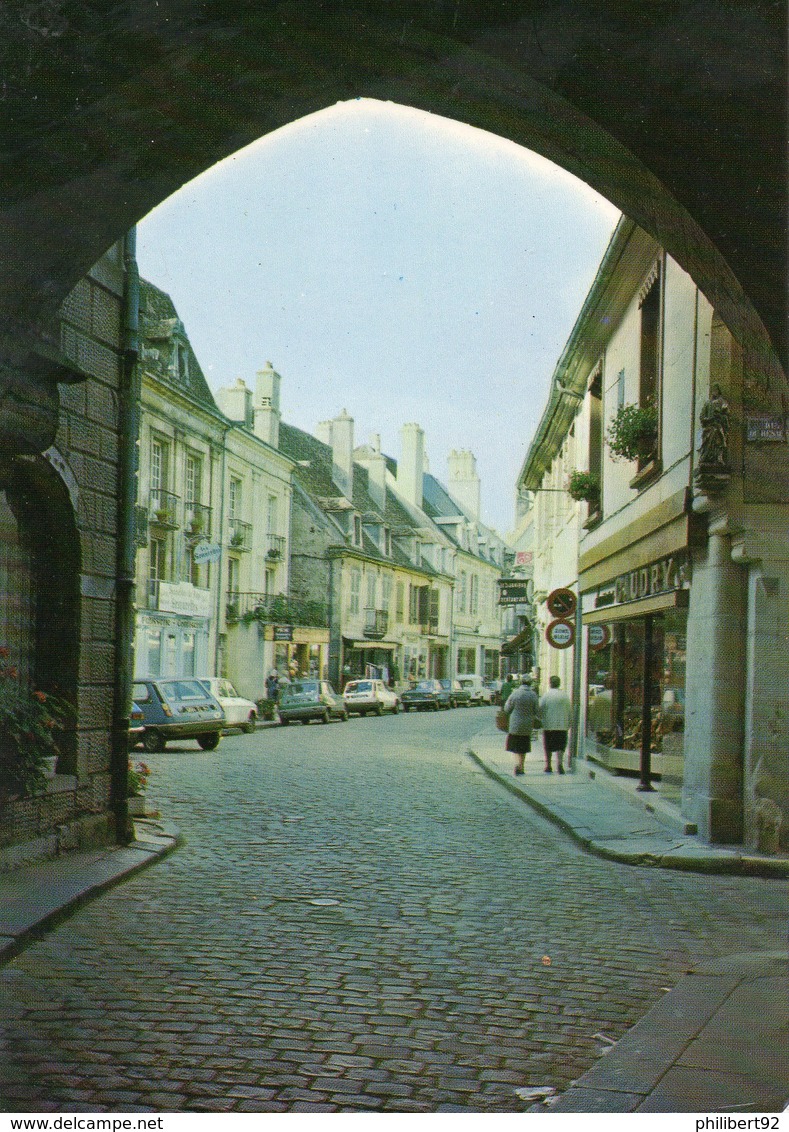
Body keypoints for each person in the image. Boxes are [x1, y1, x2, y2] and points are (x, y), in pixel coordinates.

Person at [503, 675, 540, 776]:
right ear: (530, 683)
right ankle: (521, 766)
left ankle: (517, 764)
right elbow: (537, 710)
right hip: (527, 725)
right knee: (523, 747)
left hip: (515, 724)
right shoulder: (533, 695)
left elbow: (507, 709)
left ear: (521, 683)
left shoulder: (515, 694)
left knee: (515, 747)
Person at [539, 675, 573, 773]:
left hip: (549, 725)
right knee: (561, 746)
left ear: (550, 683)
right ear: (559, 684)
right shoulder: (564, 696)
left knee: (548, 746)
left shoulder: (546, 695)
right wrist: (569, 723)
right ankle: (560, 764)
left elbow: (540, 709)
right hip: (562, 725)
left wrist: (541, 719)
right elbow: (569, 711)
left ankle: (548, 765)